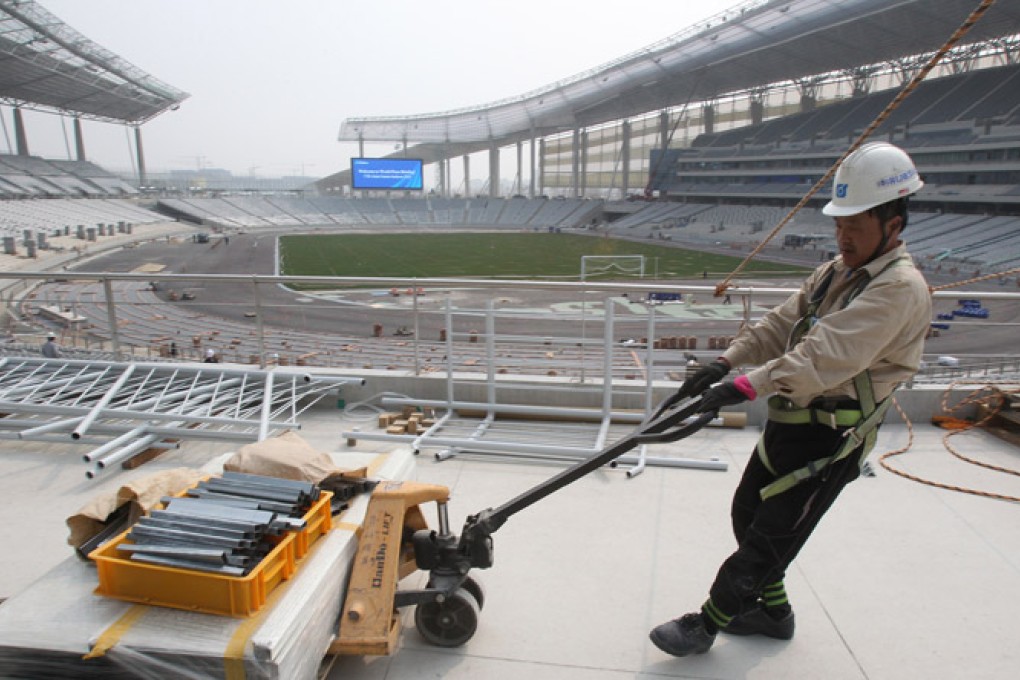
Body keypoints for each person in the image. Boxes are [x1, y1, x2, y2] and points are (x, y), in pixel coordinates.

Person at [650, 142, 932, 657]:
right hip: (790, 423)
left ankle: (706, 624)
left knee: (768, 542)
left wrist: (737, 389)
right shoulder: (837, 272)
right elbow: (782, 324)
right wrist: (724, 362)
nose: (843, 238)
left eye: (857, 228)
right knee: (746, 514)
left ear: (893, 225)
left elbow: (817, 359)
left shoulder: (899, 290)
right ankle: (773, 614)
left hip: (832, 437)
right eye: (840, 225)